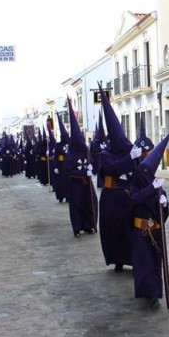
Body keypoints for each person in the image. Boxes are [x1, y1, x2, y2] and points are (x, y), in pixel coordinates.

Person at [98, 86, 142, 272]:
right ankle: (116, 259)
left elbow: (137, 169)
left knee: (128, 230)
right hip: (110, 198)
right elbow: (110, 169)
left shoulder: (127, 149)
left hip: (127, 197)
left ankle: (131, 258)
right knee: (112, 230)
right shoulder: (105, 154)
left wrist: (137, 158)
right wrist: (129, 159)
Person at [129, 135, 169, 309]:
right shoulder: (136, 185)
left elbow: (165, 214)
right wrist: (150, 189)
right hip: (142, 232)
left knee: (155, 264)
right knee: (143, 263)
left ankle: (154, 293)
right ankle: (145, 291)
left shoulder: (157, 186)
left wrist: (164, 204)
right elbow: (135, 199)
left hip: (156, 231)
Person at [66, 97, 98, 237]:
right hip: (76, 184)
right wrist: (83, 173)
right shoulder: (71, 154)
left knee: (90, 204)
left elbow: (93, 163)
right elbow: (69, 169)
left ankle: (89, 225)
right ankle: (77, 227)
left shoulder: (86, 151)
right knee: (77, 205)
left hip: (87, 184)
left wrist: (91, 168)